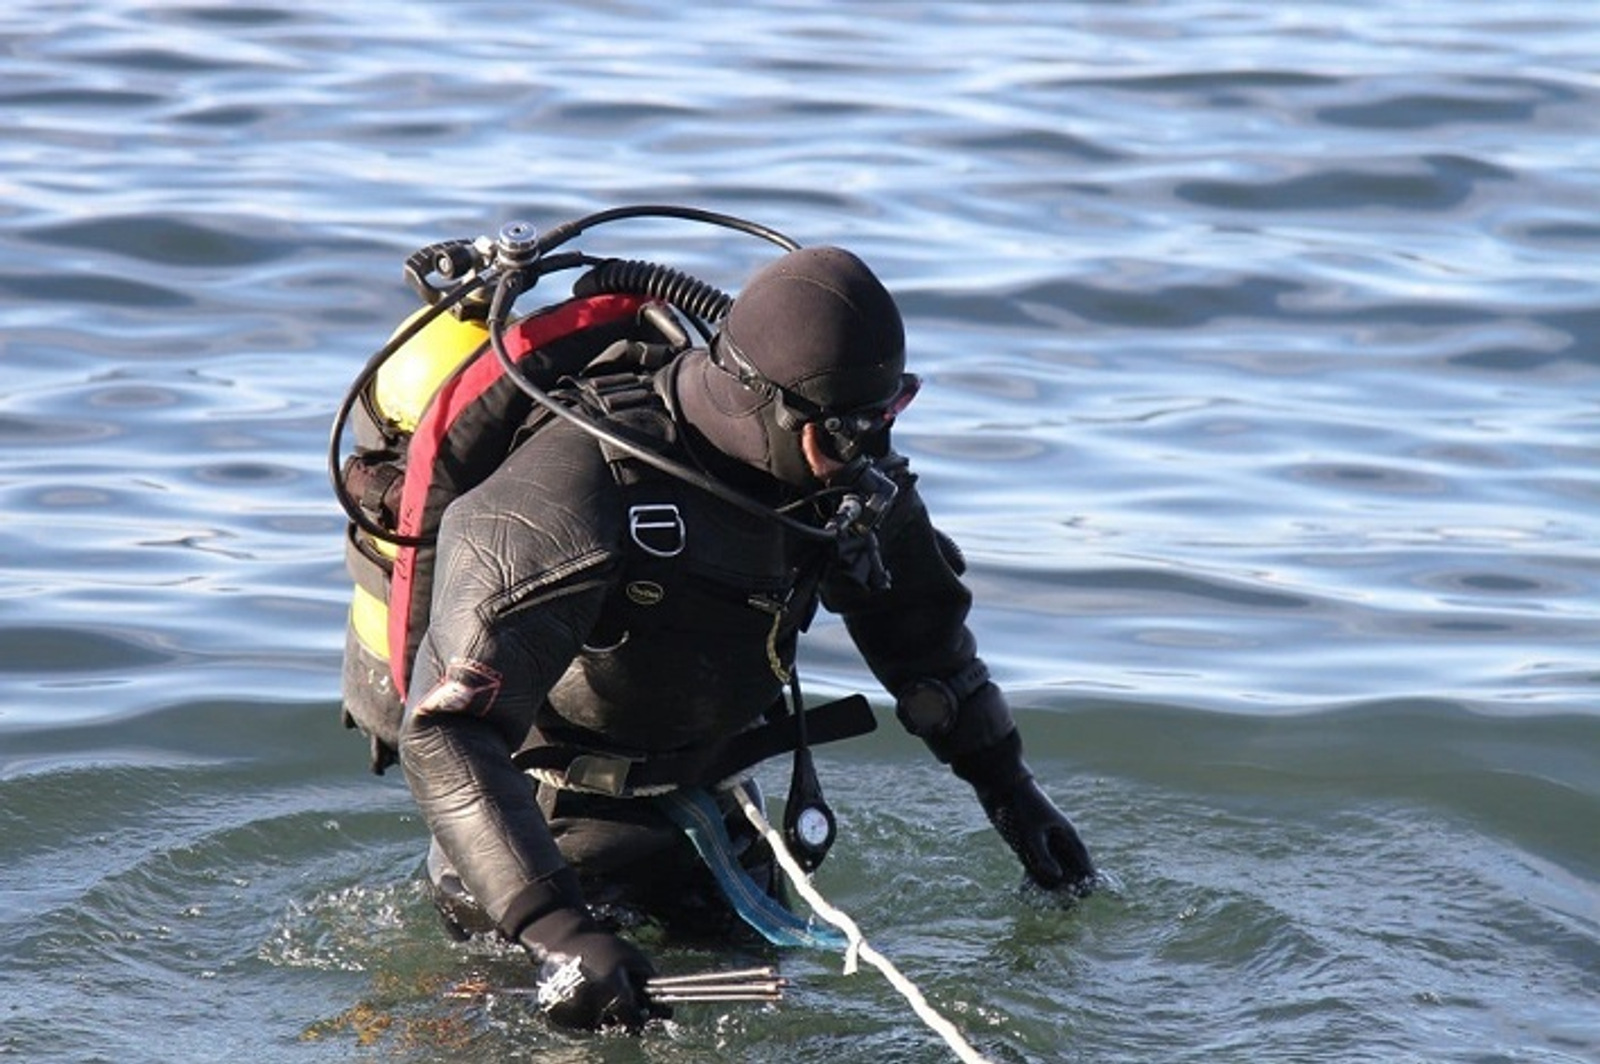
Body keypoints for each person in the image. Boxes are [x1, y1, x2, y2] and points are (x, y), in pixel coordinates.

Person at [394, 244, 1096, 1031]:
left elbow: (922, 636)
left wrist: (1011, 791)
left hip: (717, 828)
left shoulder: (843, 470)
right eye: (849, 430)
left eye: (890, 414)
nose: (868, 453)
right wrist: (552, 930)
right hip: (538, 844)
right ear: (775, 405)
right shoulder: (567, 495)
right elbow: (445, 728)